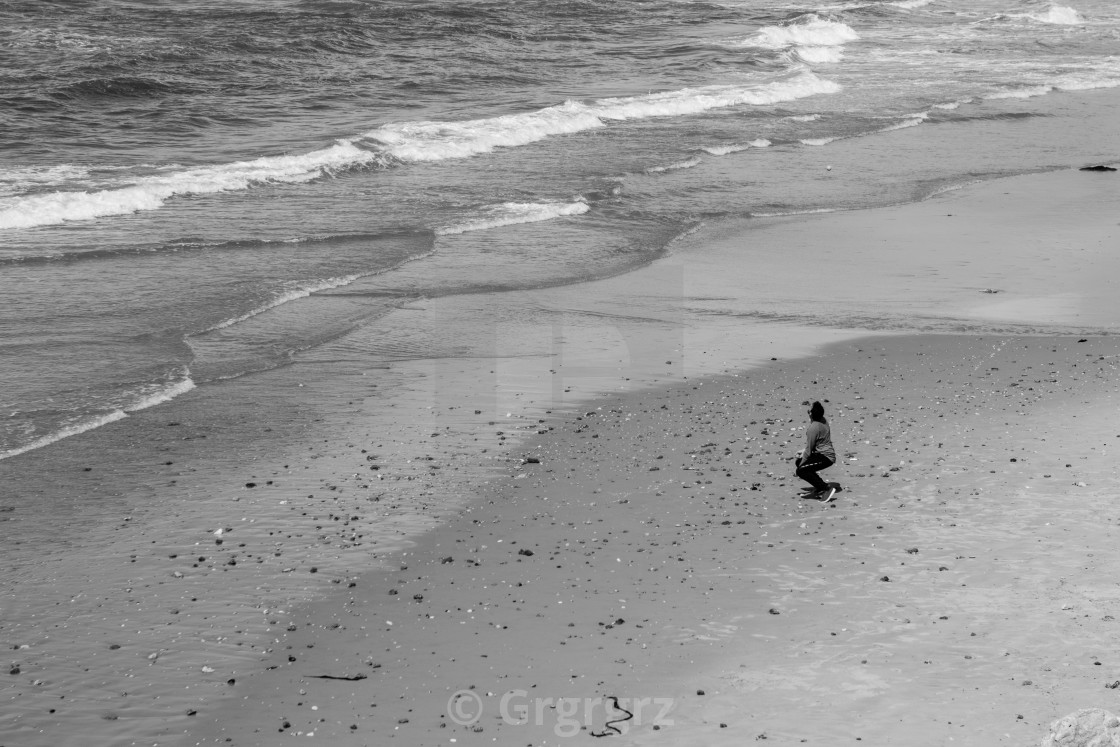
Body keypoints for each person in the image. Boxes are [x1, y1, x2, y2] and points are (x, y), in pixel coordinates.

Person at [795, 401, 837, 501]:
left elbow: (809, 451)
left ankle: (825, 488)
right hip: (822, 453)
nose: (807, 411)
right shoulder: (823, 420)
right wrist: (803, 452)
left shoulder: (813, 428)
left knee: (801, 470)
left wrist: (801, 466)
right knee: (799, 463)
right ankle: (819, 487)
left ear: (811, 414)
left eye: (808, 410)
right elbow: (818, 442)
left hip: (826, 457)